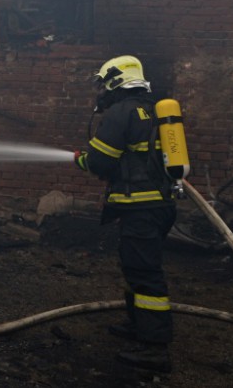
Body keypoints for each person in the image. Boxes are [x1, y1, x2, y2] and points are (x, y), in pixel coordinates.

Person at [73, 55, 177, 373]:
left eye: (104, 84)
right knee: (135, 266)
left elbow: (101, 161)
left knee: (144, 273)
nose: (102, 91)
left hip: (140, 208)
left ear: (116, 81)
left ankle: (154, 349)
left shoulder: (122, 112)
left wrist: (81, 160)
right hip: (160, 206)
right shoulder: (154, 109)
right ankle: (138, 326)